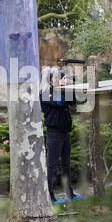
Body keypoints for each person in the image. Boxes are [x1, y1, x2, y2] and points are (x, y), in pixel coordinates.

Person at [40, 66, 84, 204]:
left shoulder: (60, 90)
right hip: (54, 133)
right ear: (50, 79)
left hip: (65, 132)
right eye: (57, 77)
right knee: (51, 165)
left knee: (66, 164)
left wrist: (69, 87)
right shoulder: (45, 93)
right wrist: (64, 88)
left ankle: (69, 194)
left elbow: (73, 101)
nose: (59, 79)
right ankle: (50, 196)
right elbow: (60, 103)